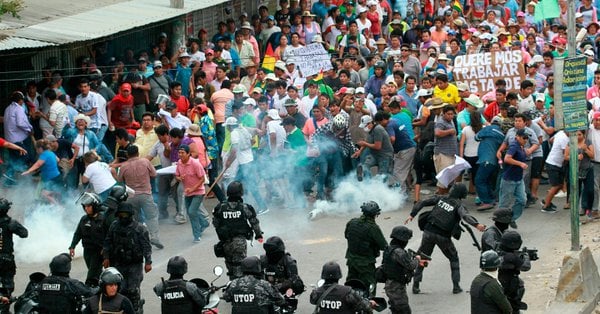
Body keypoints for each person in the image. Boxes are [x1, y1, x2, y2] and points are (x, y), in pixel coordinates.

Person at [405, 183, 486, 294]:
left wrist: (412, 214)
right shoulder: (458, 205)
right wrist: (477, 225)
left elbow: (423, 202)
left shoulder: (441, 198)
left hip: (428, 232)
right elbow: (465, 216)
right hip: (443, 236)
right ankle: (456, 287)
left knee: (422, 257)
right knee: (454, 258)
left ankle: (416, 286)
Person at [103, 203, 153, 313]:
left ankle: (136, 309)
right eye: (121, 214)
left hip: (134, 264)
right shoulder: (114, 226)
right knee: (120, 289)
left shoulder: (140, 228)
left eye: (125, 214)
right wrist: (106, 257)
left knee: (133, 290)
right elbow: (107, 241)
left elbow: (146, 246)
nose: (123, 217)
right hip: (118, 263)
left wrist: (148, 262)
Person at [213, 181, 264, 280]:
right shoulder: (244, 207)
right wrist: (258, 235)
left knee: (230, 266)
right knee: (240, 267)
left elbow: (216, 223)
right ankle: (238, 288)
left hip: (225, 243)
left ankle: (232, 286)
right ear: (240, 193)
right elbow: (254, 222)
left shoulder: (220, 207)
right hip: (239, 243)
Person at [117, 145, 164, 249]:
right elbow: (154, 174)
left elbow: (120, 180)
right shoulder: (145, 162)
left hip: (131, 196)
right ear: (138, 153)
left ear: (127, 154)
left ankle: (138, 240)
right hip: (145, 194)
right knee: (151, 216)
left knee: (136, 219)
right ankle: (154, 237)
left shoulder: (124, 166)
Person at [344, 201, 388, 296]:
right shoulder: (373, 228)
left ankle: (347, 303)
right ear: (375, 214)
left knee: (350, 283)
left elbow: (346, 235)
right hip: (366, 263)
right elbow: (383, 246)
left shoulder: (352, 222)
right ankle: (370, 304)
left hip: (351, 260)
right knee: (371, 284)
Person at [382, 226, 425, 314]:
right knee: (404, 310)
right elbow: (411, 266)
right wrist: (417, 259)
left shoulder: (389, 248)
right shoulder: (399, 252)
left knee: (396, 309)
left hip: (391, 284)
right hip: (395, 286)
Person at [68, 192, 109, 287]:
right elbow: (78, 234)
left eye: (88, 206)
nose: (86, 208)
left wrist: (106, 250)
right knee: (94, 272)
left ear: (95, 206)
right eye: (85, 206)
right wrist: (72, 246)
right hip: (87, 251)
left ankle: (89, 288)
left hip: (99, 252)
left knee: (92, 275)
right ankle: (101, 286)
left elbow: (109, 236)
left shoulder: (103, 219)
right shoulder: (84, 219)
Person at [175, 144, 210, 243]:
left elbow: (202, 178)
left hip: (198, 192)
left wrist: (193, 188)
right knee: (192, 212)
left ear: (189, 154)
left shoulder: (195, 164)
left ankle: (197, 235)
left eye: (183, 153)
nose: (180, 155)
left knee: (191, 212)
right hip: (188, 193)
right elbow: (176, 175)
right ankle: (204, 222)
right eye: (179, 152)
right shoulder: (179, 163)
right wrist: (179, 178)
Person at [309, 261, 374, 313]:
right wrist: (370, 303)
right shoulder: (347, 292)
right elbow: (364, 306)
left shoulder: (317, 292)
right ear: (339, 275)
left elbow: (312, 301)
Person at [0, 198, 28, 311]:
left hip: (5, 258)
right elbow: (24, 233)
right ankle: (5, 309)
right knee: (8, 285)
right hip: (6, 259)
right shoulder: (11, 223)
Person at [498, 231, 532, 313]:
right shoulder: (511, 257)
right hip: (507, 284)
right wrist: (526, 255)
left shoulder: (497, 252)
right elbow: (526, 267)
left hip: (497, 282)